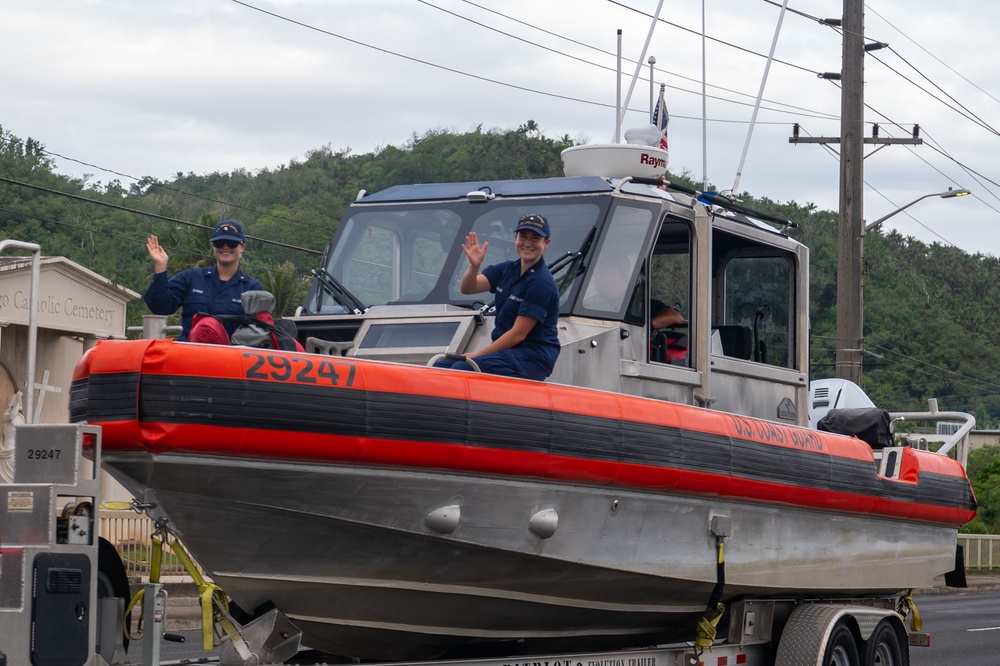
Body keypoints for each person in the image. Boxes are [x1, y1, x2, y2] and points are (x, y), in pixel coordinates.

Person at [435, 213, 561, 380]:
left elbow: (518, 334)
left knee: (463, 368)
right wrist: (474, 266)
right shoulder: (508, 269)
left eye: (535, 238)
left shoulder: (541, 283)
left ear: (546, 243)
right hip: (507, 353)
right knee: (440, 366)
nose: (528, 243)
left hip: (531, 358)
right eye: (523, 236)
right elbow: (468, 288)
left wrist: (476, 355)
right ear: (515, 238)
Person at [143, 220, 264, 341]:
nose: (225, 247)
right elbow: (160, 306)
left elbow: (259, 333)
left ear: (242, 247)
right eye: (219, 243)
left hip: (229, 356)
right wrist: (161, 266)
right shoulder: (191, 277)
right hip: (189, 353)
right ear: (213, 246)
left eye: (232, 244)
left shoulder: (252, 289)